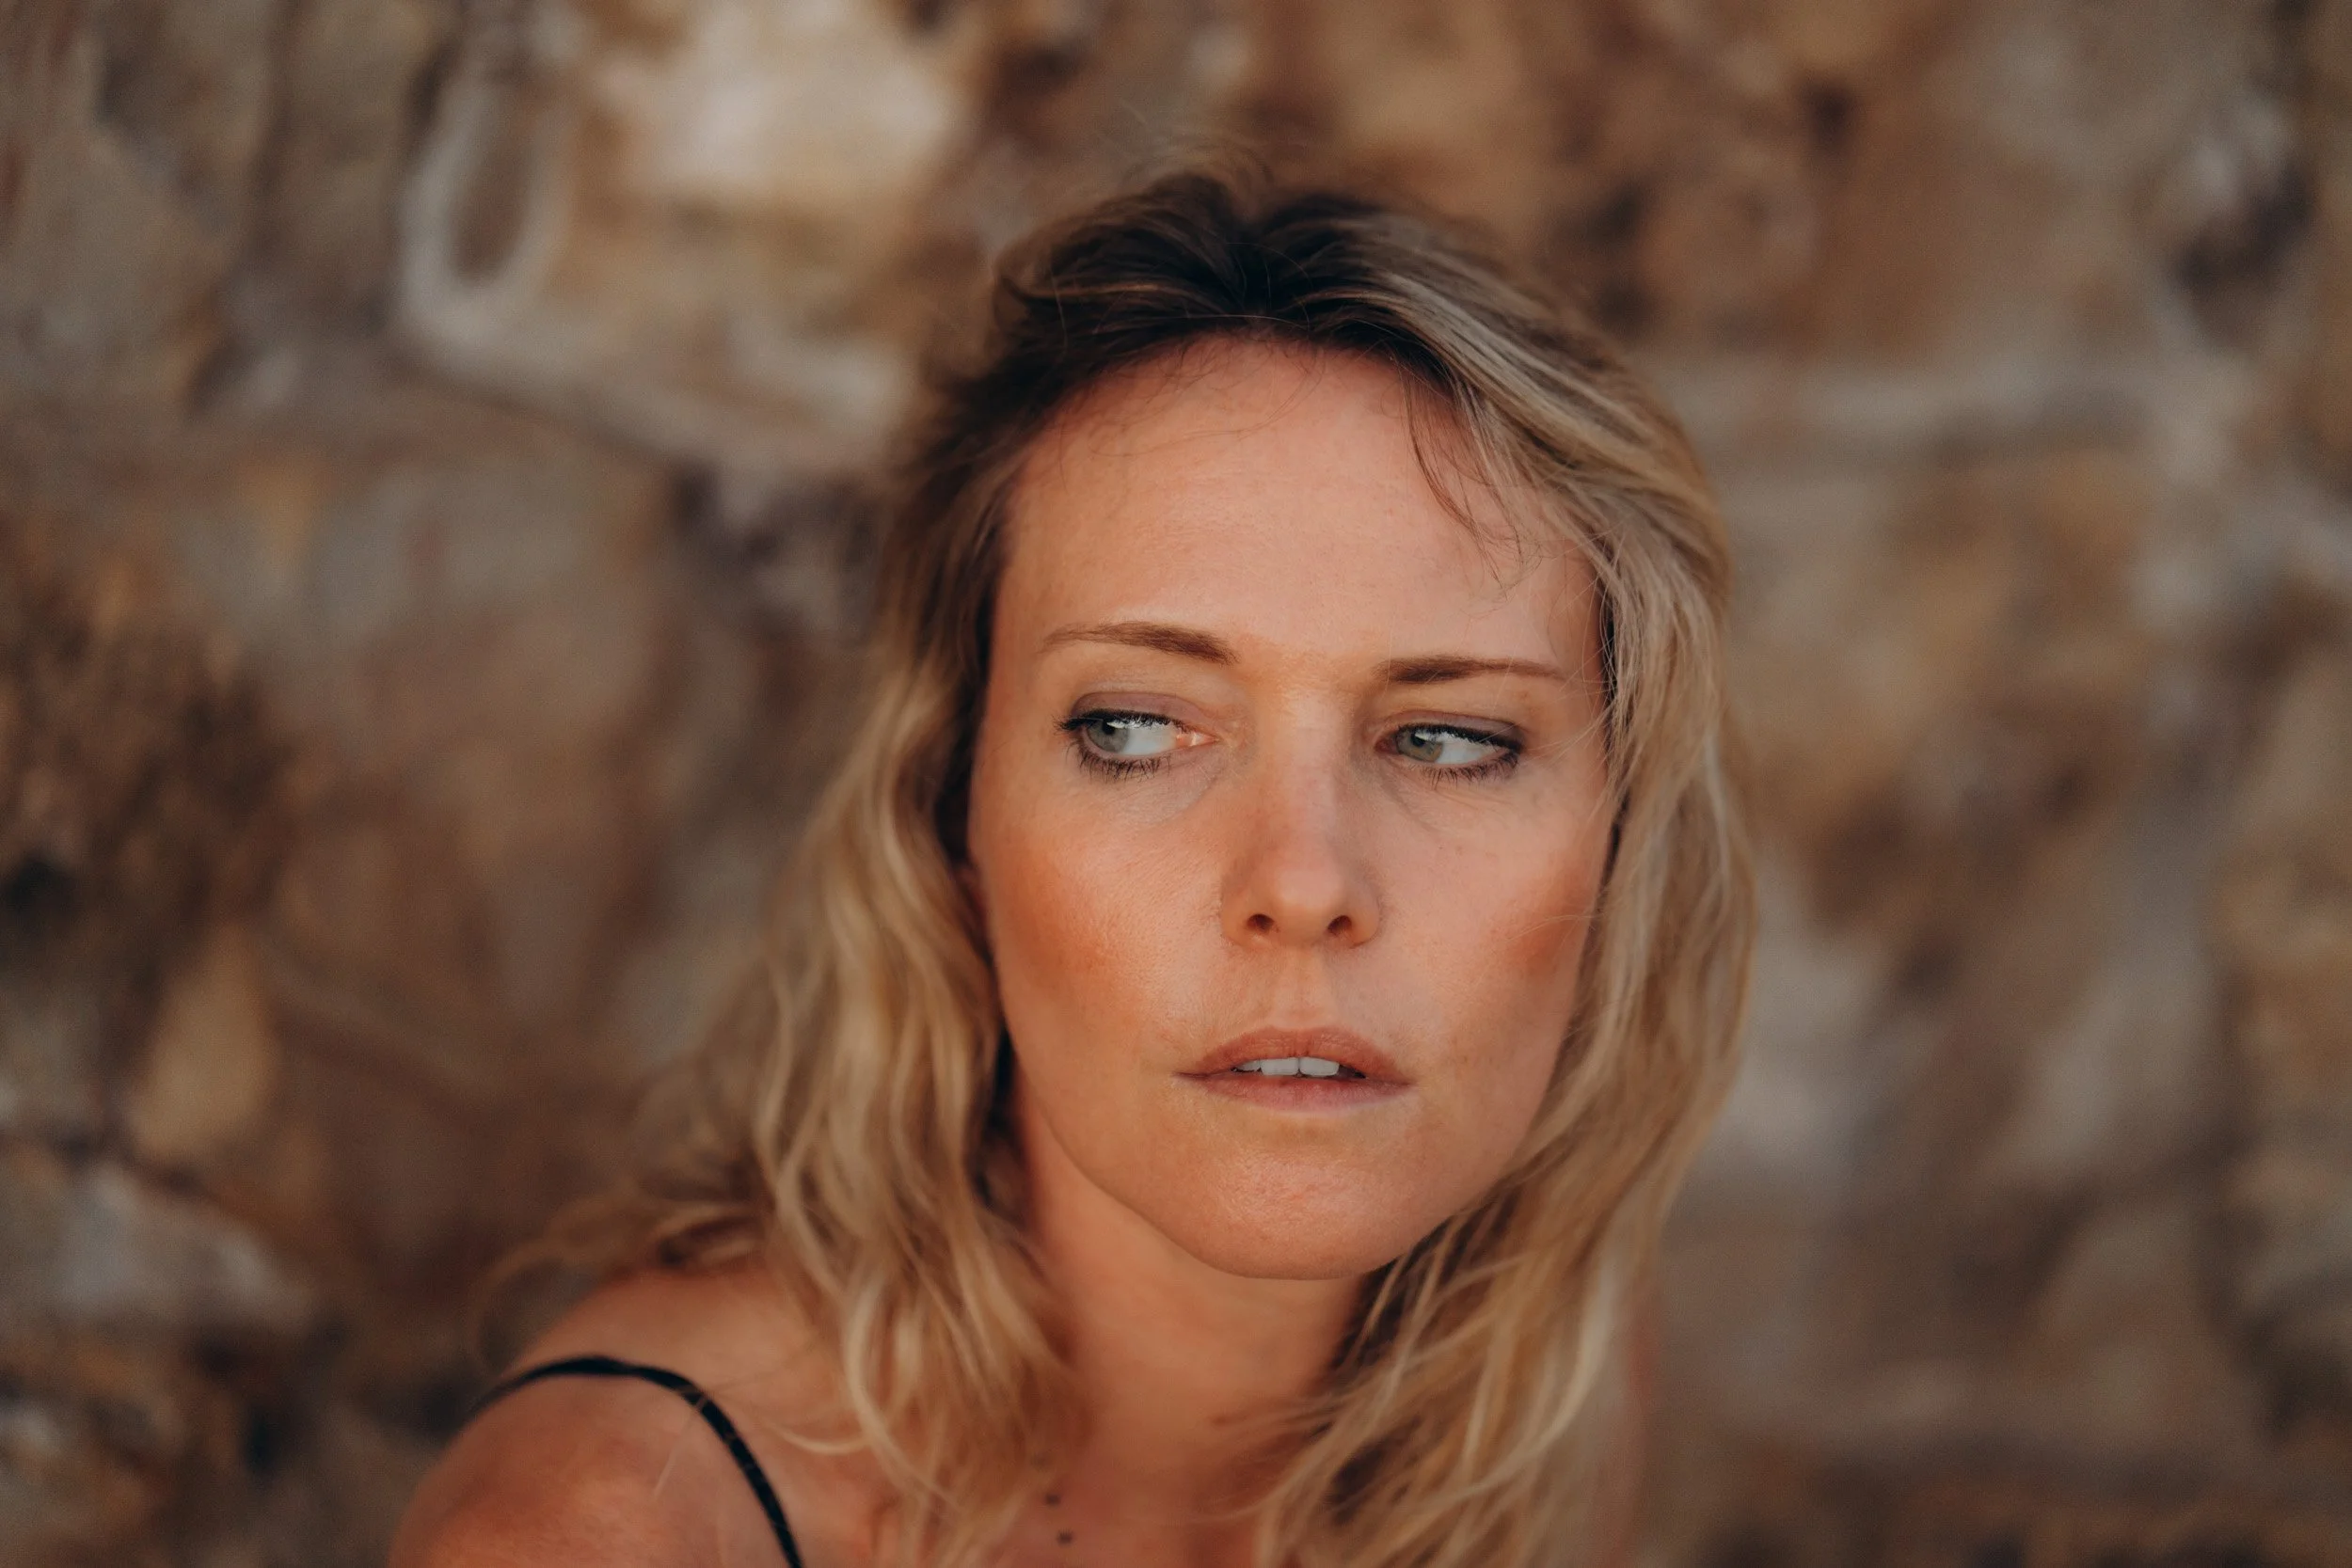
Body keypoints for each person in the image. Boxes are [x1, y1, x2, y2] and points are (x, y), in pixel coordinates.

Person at [390, 165, 1752, 1568]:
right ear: (951, 813)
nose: (1302, 877)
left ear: (1618, 833)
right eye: (1137, 727)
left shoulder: (1531, 1368)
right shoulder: (618, 1532)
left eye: (1453, 738)